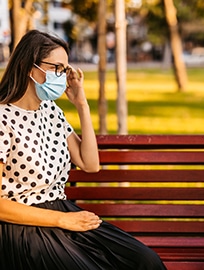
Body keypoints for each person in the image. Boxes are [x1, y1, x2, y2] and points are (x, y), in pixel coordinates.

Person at [0, 30, 166, 270]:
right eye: (56, 68)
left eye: (64, 70)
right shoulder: (3, 119)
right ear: (29, 67)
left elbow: (90, 163)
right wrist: (62, 219)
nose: (62, 77)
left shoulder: (51, 112)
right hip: (21, 225)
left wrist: (81, 104)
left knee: (146, 261)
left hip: (63, 214)